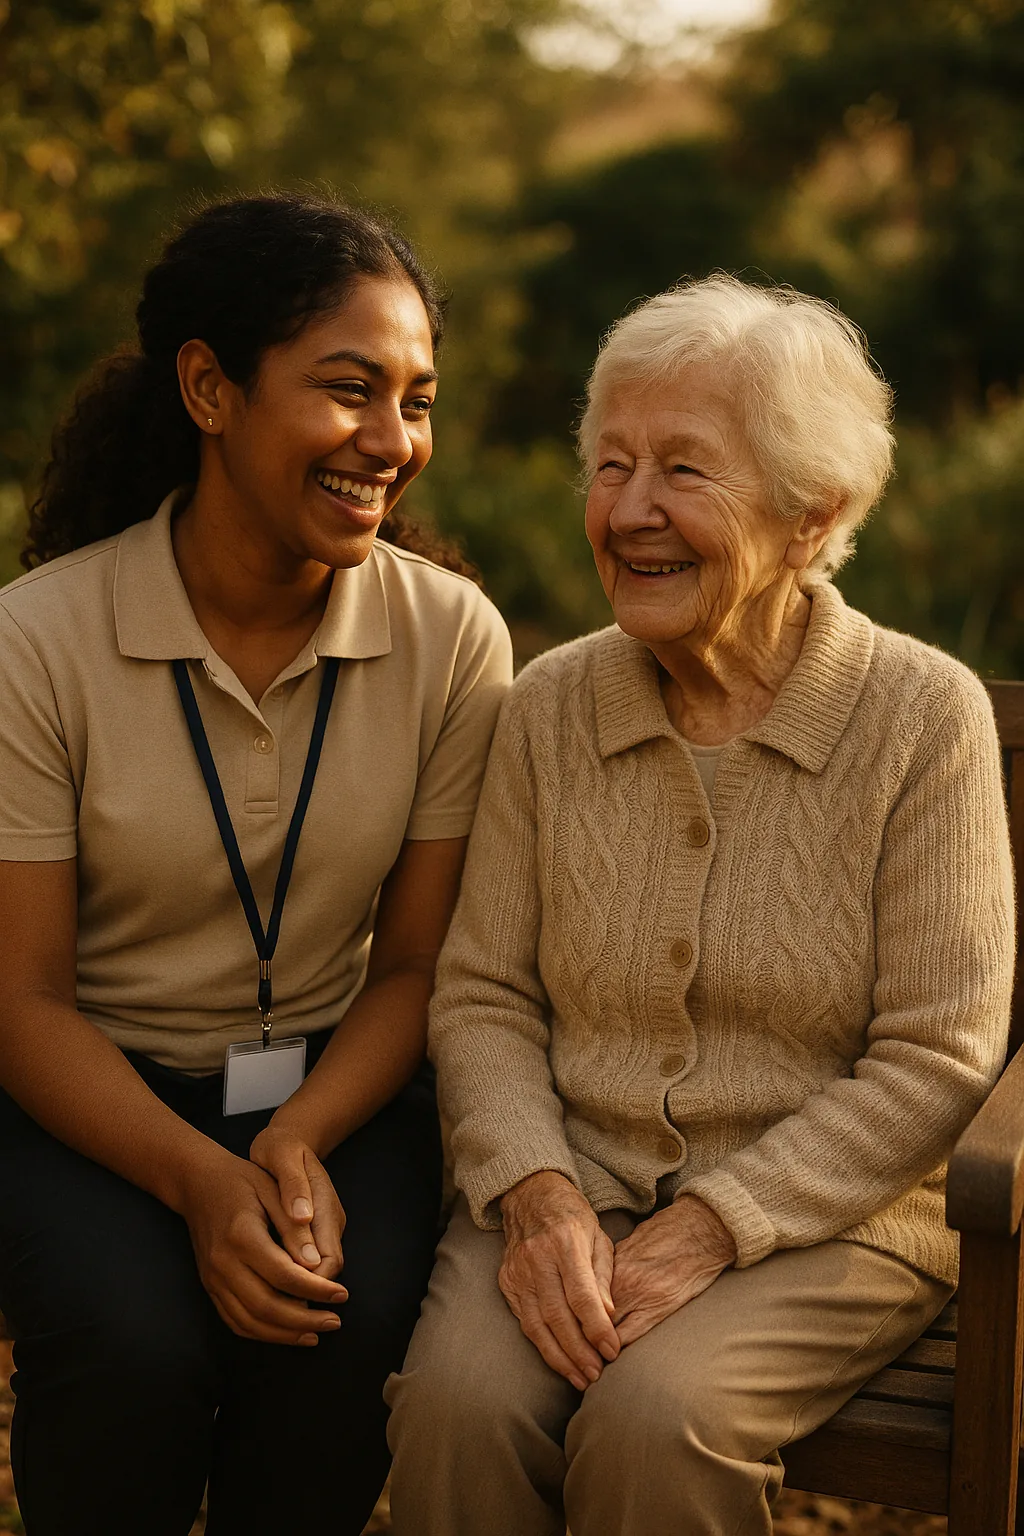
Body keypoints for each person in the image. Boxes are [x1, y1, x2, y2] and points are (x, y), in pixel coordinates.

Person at [385, 274, 1016, 1536]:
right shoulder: (550, 707)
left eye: (683, 470)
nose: (629, 512)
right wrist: (538, 1194)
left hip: (831, 1218)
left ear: (809, 515)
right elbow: (484, 994)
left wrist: (714, 1228)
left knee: (654, 1419)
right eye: (610, 466)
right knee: (456, 1404)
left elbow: (938, 1051)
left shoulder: (918, 716)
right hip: (577, 1179)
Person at [0, 192, 511, 1536]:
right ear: (210, 389)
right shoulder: (35, 644)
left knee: (336, 1333)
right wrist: (199, 1177)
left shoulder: (452, 639)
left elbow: (414, 961)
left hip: (340, 1094)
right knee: (133, 1352)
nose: (392, 443)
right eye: (349, 391)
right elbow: (23, 1000)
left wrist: (293, 1140)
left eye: (416, 399)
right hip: (94, 1101)